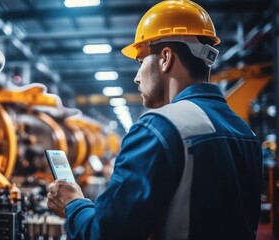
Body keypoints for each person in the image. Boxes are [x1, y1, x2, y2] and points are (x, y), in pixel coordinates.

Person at [47, 0, 263, 239]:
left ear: (165, 57)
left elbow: (106, 233)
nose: (137, 78)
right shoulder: (245, 132)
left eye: (140, 62)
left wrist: (73, 204)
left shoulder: (159, 128)